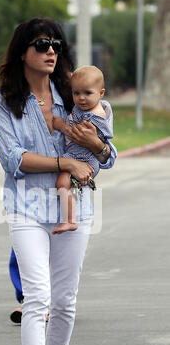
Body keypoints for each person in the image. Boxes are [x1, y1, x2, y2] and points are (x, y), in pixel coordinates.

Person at [0, 17, 117, 345]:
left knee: (66, 300)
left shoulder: (74, 95)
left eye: (56, 44)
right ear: (22, 50)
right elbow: (14, 160)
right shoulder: (0, 100)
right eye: (42, 44)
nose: (50, 51)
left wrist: (95, 145)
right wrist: (65, 161)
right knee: (38, 295)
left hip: (75, 205)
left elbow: (108, 158)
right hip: (26, 207)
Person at [52, 65, 114, 234]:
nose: (81, 98)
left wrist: (64, 126)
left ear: (100, 93)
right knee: (64, 183)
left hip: (85, 159)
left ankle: (70, 220)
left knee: (62, 183)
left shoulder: (96, 114)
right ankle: (70, 219)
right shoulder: (81, 109)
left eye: (87, 93)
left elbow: (106, 136)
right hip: (74, 155)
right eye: (76, 93)